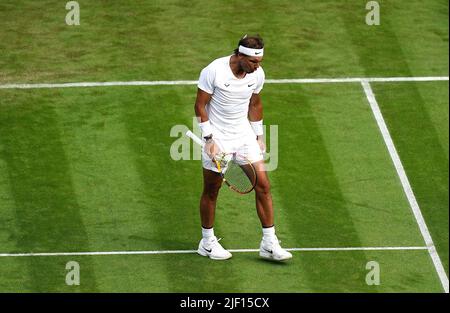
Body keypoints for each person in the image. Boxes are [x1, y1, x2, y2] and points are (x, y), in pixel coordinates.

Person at [194, 34, 292, 261]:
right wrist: (209, 139)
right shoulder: (214, 71)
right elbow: (200, 106)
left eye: (260, 62)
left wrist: (259, 135)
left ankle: (269, 243)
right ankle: (207, 242)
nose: (257, 67)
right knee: (212, 190)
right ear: (239, 56)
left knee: (263, 186)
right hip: (217, 138)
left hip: (244, 136)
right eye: (253, 62)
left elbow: (255, 103)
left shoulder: (257, 74)